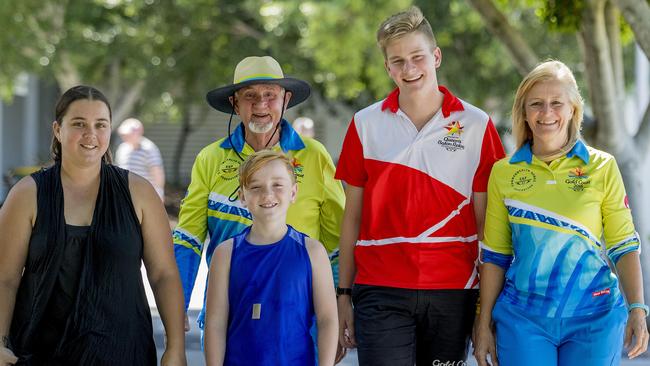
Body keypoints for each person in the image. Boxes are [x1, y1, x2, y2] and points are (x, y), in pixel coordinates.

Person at [335, 6, 505, 366]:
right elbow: (352, 218)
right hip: (379, 288)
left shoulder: (476, 125)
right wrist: (343, 294)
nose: (409, 69)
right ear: (387, 67)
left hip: (454, 290)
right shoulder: (364, 124)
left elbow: (487, 225)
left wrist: (485, 310)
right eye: (397, 61)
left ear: (436, 56)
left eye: (417, 57)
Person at [474, 60, 649, 366]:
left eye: (557, 103)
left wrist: (637, 307)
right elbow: (495, 255)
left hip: (595, 317)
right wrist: (483, 322)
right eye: (536, 104)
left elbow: (624, 245)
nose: (546, 113)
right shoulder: (503, 173)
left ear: (572, 110)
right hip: (523, 319)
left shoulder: (602, 166)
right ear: (524, 112)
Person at [0, 85, 186, 366]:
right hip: (38, 353)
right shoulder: (27, 194)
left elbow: (163, 274)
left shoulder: (139, 193)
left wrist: (176, 347)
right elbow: (5, 278)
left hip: (123, 353)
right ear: (57, 130)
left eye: (101, 124)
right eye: (78, 124)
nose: (91, 134)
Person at [173, 56, 345, 335]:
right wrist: (177, 306)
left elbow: (337, 244)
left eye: (270, 95)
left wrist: (339, 308)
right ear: (235, 103)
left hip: (301, 319)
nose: (261, 104)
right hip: (226, 315)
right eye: (250, 96)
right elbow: (189, 239)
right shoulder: (210, 159)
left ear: (286, 100)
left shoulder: (314, 156)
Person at [203, 150, 338, 365]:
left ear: (293, 193)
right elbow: (215, 322)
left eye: (278, 185)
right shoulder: (226, 253)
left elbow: (328, 319)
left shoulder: (313, 252)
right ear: (242, 196)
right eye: (256, 187)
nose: (267, 195)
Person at [115, 118, 166, 200]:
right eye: (123, 135)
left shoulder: (149, 148)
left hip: (146, 195)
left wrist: (159, 193)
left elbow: (157, 172)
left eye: (129, 134)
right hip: (127, 194)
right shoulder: (122, 149)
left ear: (139, 132)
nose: (125, 137)